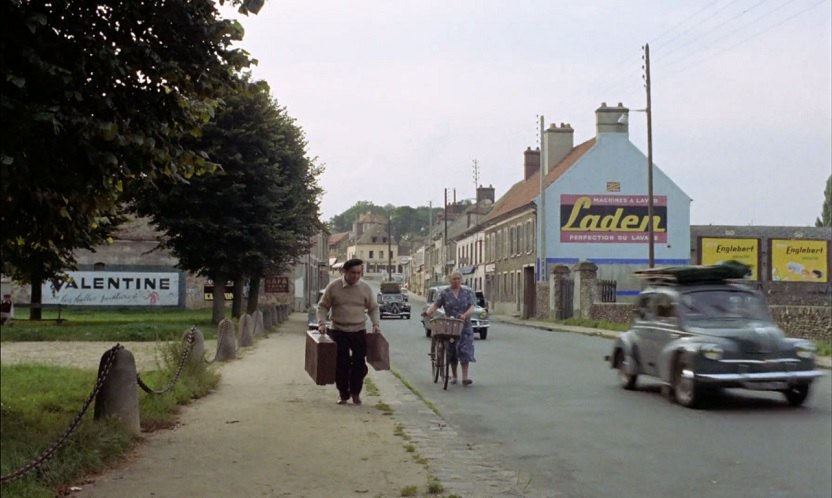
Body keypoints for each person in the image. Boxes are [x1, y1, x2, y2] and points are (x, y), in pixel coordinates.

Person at [317, 258, 381, 405]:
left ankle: (355, 392)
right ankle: (343, 393)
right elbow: (322, 306)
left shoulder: (365, 288)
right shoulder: (333, 287)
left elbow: (373, 308)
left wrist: (376, 324)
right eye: (353, 273)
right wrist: (321, 322)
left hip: (358, 329)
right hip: (339, 329)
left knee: (359, 364)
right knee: (341, 364)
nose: (356, 276)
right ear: (344, 272)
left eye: (359, 273)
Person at [422, 271, 476, 385]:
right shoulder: (444, 293)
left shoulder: (467, 292)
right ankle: (454, 376)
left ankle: (465, 377)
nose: (456, 281)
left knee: (465, 350)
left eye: (458, 279)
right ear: (449, 280)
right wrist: (428, 312)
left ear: (461, 280)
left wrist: (465, 315)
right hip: (450, 325)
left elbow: (472, 307)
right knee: (452, 350)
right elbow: (436, 304)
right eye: (453, 279)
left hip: (464, 325)